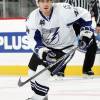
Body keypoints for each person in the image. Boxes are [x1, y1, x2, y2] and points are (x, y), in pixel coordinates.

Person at [26, 0, 95, 99]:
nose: (46, 4)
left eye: (48, 1)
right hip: (47, 48)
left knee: (43, 72)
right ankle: (42, 96)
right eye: (42, 1)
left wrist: (85, 34)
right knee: (32, 71)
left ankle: (36, 98)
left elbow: (85, 15)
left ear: (51, 2)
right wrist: (43, 52)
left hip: (65, 49)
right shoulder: (33, 17)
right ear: (38, 3)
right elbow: (33, 39)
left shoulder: (64, 10)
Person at [60, 0, 100, 76]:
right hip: (73, 24)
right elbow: (62, 10)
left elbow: (96, 11)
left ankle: (87, 70)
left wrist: (98, 24)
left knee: (92, 45)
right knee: (66, 45)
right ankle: (60, 70)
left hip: (86, 24)